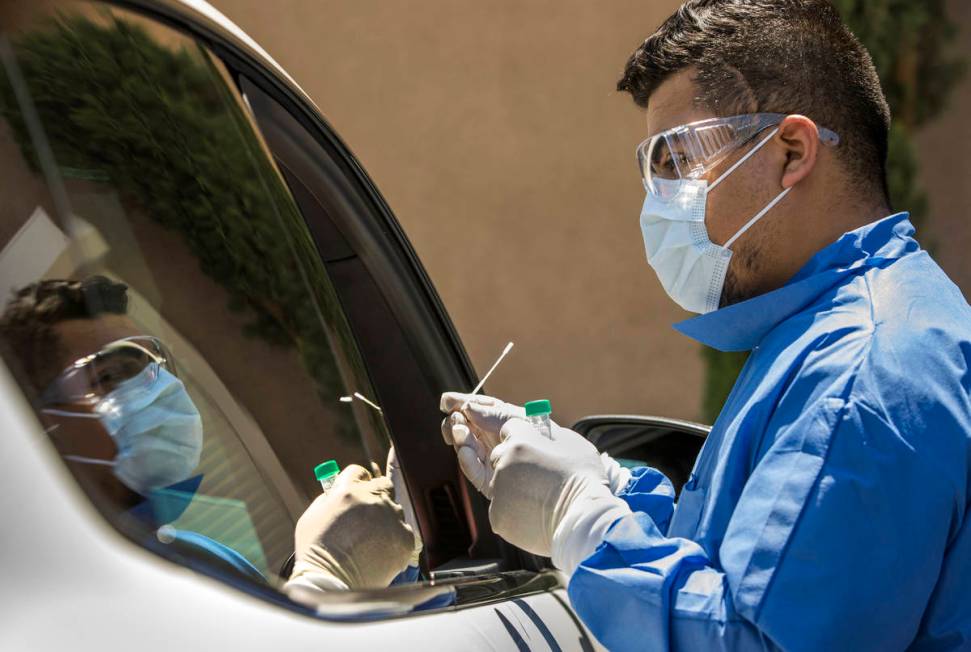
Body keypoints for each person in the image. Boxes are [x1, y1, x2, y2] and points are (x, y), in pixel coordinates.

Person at [441, 1, 971, 650]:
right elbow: (738, 567)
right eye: (650, 170)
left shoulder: (860, 372)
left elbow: (754, 640)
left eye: (676, 158)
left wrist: (578, 517)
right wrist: (602, 485)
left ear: (792, 151)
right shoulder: (834, 330)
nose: (657, 202)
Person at [0, 276, 416, 594]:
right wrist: (325, 575)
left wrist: (404, 542)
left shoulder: (192, 552)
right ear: (43, 428)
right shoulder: (54, 588)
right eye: (110, 375)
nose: (157, 387)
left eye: (152, 364)